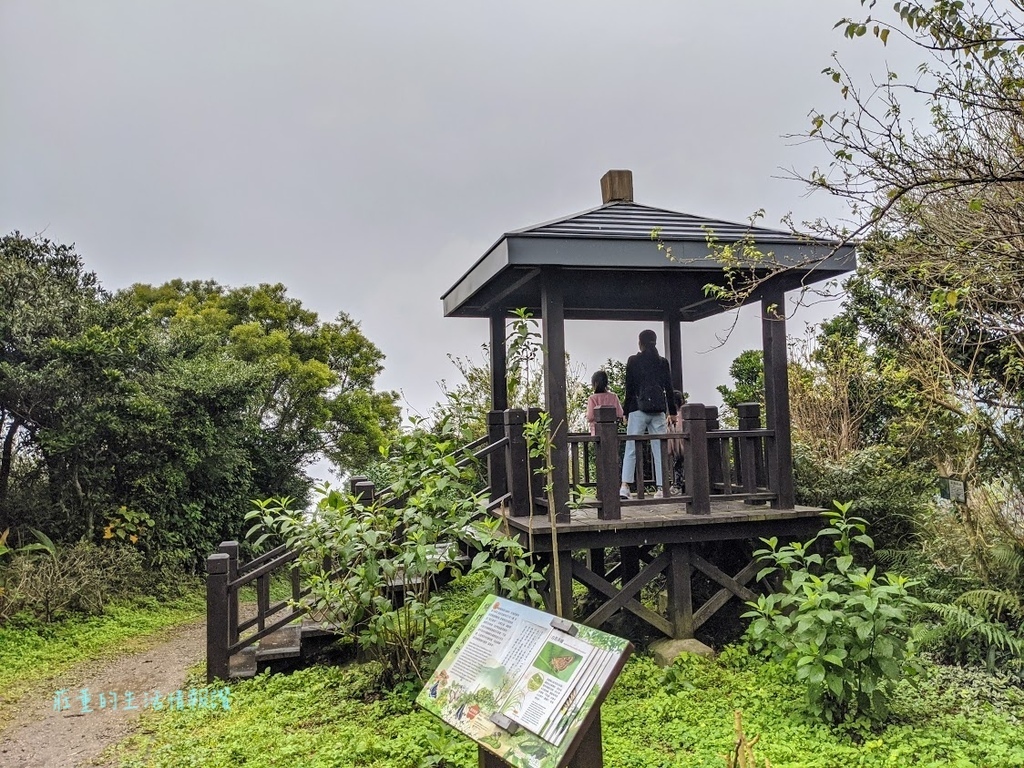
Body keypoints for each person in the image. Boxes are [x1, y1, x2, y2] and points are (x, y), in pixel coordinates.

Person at [620, 329, 676, 499]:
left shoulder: (633, 361)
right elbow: (669, 388)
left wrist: (625, 411)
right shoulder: (662, 362)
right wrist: (672, 412)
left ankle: (625, 487)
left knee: (631, 447)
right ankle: (661, 488)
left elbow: (629, 388)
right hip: (658, 411)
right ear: (655, 342)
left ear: (640, 343)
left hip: (637, 409)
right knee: (660, 448)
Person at [586, 370, 624, 436]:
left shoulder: (592, 398)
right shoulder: (613, 397)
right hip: (611, 432)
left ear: (594, 383)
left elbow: (590, 417)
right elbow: (620, 414)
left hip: (596, 433)